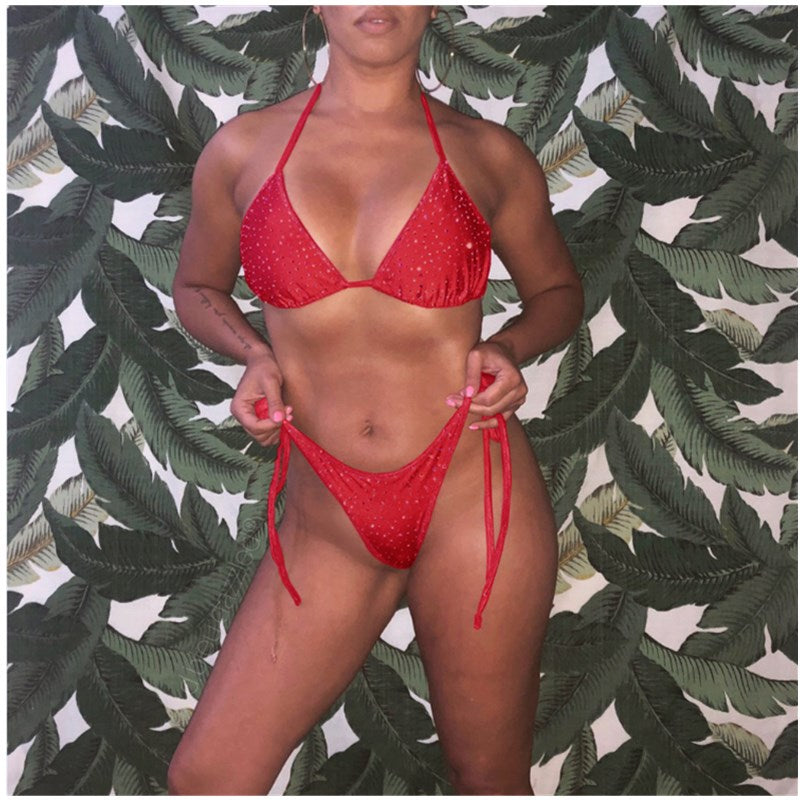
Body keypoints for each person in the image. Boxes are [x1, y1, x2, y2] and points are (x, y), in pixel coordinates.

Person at [167, 4, 583, 795]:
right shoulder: (243, 150)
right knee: (208, 778)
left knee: (488, 777)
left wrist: (509, 347)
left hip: (472, 497)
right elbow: (195, 285)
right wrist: (253, 354)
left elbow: (559, 292)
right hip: (327, 517)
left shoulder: (487, 153)